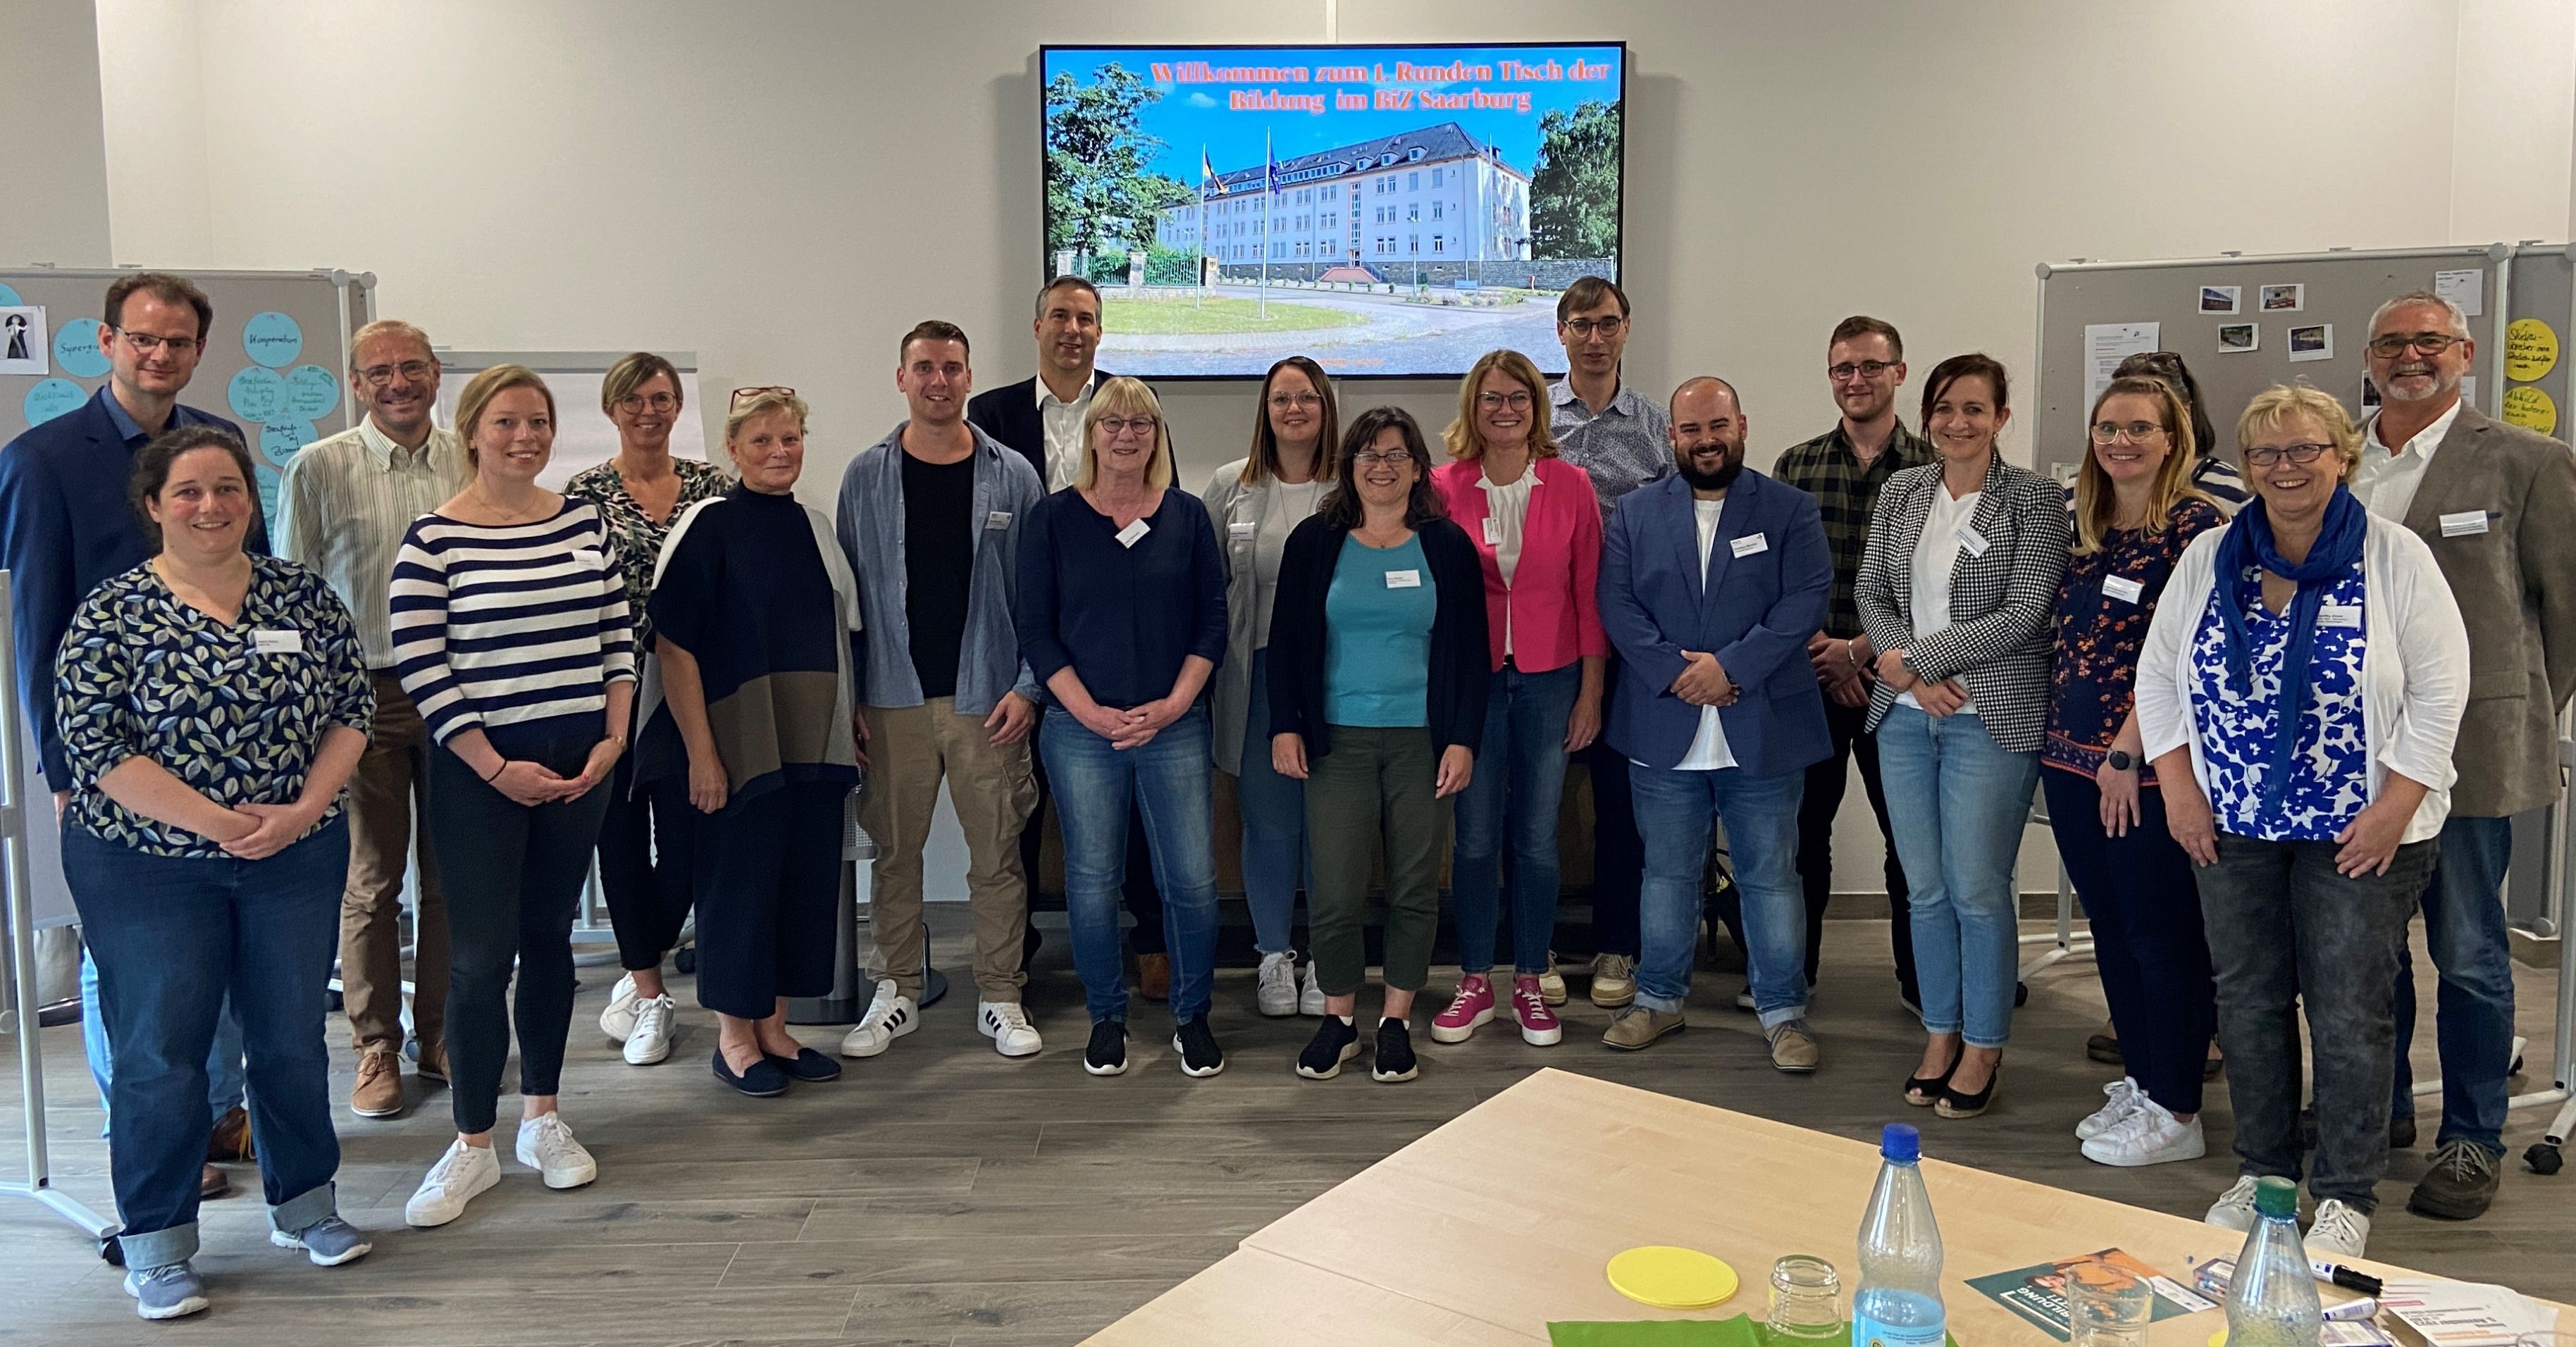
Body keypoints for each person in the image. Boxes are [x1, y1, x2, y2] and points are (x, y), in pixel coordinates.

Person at [2138, 385, 2469, 1258]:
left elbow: (2439, 695)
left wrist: (2393, 809)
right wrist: (2176, 787)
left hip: (2358, 830)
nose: (2283, 468)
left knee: (2347, 1007)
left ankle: (2344, 1190)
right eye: (2264, 454)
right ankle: (2264, 1172)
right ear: (2243, 468)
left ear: (2340, 457)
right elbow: (2159, 677)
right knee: (2245, 1000)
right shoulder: (2211, 557)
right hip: (2231, 820)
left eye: (2303, 450)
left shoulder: (2394, 558)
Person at [58, 426, 376, 1317]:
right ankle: (156, 1242)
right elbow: (95, 746)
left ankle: (306, 1205)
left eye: (229, 488)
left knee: (287, 1038)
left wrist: (303, 812)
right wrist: (222, 824)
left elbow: (352, 706)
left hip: (294, 854)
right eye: (189, 491)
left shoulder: (299, 597)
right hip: (146, 864)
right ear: (154, 505)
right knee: (162, 1052)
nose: (212, 506)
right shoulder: (112, 611)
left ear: (251, 499)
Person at [0, 271, 262, 1200]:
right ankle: (148, 1133)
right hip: (112, 761)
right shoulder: (41, 460)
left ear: (198, 351)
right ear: (107, 343)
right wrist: (67, 769)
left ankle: (222, 1115)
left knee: (223, 942)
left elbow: (251, 586)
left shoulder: (219, 444)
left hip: (224, 750)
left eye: (179, 342)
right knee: (133, 960)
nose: (160, 355)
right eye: (143, 338)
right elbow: (35, 628)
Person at [392, 365, 633, 1227]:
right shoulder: (433, 540)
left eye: (537, 422)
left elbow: (617, 637)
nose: (524, 437)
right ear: (472, 432)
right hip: (479, 775)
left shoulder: (582, 524)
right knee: (479, 955)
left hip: (580, 767)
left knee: (549, 940)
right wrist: (497, 768)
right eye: (506, 423)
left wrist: (613, 737)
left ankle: (543, 1117)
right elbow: (425, 668)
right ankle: (470, 1145)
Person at [2353, 291, 2576, 1220]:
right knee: (2367, 952)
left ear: (2467, 352)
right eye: (2394, 342)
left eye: (2430, 340)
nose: (2412, 355)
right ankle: (2380, 1111)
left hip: (2471, 756)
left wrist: (2519, 714)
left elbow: (2565, 615)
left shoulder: (2530, 462)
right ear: (2369, 359)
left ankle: (2474, 1138)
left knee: (2473, 952)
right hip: (2358, 756)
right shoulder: (2340, 457)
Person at [1597, 378, 1833, 1067]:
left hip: (1761, 723)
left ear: (1741, 425)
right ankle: (1659, 1000)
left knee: (1769, 876)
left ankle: (1783, 1011)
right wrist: (1678, 672)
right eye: (1691, 428)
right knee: (1665, 874)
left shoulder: (1788, 508)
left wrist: (1729, 668)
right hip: (1662, 720)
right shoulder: (1635, 512)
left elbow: (1805, 600)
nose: (1706, 440)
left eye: (1718, 425)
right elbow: (1615, 604)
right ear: (1670, 435)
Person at [1857, 354, 2069, 1119]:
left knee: (1978, 891)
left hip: (1991, 719)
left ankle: (1984, 1043)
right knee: (1924, 891)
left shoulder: (2036, 500)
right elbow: (1870, 589)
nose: (1956, 422)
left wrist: (1916, 658)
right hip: (1904, 723)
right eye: (1943, 408)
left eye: (1974, 409)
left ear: (2001, 418)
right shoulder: (1902, 490)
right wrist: (1908, 678)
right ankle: (1939, 1033)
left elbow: (2024, 612)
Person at [837, 323, 1046, 1060]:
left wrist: (1027, 688)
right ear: (900, 378)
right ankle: (894, 989)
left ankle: (1000, 994)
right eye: (923, 367)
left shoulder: (1011, 474)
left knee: (996, 855)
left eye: (951, 368)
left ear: (967, 377)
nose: (938, 380)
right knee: (896, 853)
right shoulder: (864, 475)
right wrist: (853, 699)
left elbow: (1036, 595)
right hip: (892, 698)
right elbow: (851, 601)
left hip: (986, 698)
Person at [277, 319, 468, 1117]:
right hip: (362, 694)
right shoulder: (318, 467)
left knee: (454, 875)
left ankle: (446, 1033)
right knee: (372, 880)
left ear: (435, 373)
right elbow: (290, 593)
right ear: (355, 384)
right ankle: (375, 1047)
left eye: (412, 368)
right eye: (379, 372)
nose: (398, 383)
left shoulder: (471, 455)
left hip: (463, 690)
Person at [648, 386, 861, 1095]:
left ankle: (774, 1027)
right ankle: (733, 1037)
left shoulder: (816, 527)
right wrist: (702, 753)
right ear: (733, 451)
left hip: (810, 742)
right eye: (762, 441)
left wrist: (849, 718)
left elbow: (836, 634)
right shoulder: (709, 526)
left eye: (790, 439)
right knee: (737, 884)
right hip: (738, 745)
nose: (779, 452)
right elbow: (673, 647)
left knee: (799, 882)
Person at [1015, 376, 1228, 1079]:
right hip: (1081, 729)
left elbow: (1210, 625)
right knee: (1091, 876)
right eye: (1113, 422)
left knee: (1192, 881)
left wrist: (1171, 706)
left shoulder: (1187, 516)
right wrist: (1090, 713)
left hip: (1174, 725)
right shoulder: (1051, 519)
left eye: (1142, 422)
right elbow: (1037, 635)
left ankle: (1192, 1016)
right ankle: (1106, 1015)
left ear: (1157, 435)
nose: (1128, 433)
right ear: (1091, 434)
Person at [1268, 406, 1487, 1082]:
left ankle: (1395, 1019)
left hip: (1423, 743)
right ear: (1350, 467)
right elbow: (1285, 644)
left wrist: (1462, 740)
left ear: (1418, 467)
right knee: (1333, 891)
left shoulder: (1446, 546)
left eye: (1395, 454)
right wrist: (1285, 724)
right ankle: (1339, 1020)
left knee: (1415, 889)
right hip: (1337, 742)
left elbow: (1473, 654)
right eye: (1368, 454)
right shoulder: (1315, 541)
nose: (1382, 467)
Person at [967, 275, 1170, 999]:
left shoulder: (1130, 404)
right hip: (1019, 636)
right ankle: (1013, 952)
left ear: (1100, 330)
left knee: (1138, 804)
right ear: (1036, 326)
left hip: (1108, 636)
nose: (1073, 330)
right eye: (1059, 316)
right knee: (1019, 807)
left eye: (1086, 318)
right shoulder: (988, 414)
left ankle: (1150, 936)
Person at [2043, 376, 2225, 1167]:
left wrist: (2126, 750)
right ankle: (2144, 1080)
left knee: (2162, 937)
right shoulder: (2083, 523)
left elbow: (2181, 657)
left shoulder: (2196, 528)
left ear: (2171, 438)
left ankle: (2178, 1105)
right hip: (2067, 758)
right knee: (2110, 931)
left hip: (2142, 768)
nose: (2120, 441)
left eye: (2139, 428)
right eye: (2106, 426)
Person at [1428, 349, 1605, 1048]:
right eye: (1491, 398)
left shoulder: (1570, 485)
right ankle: (1474, 981)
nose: (1504, 410)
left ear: (1537, 407)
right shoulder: (1441, 486)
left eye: (1518, 398)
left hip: (1551, 677)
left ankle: (1529, 980)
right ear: (1472, 407)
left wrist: (1591, 692)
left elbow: (1589, 595)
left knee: (1535, 837)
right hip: (1472, 684)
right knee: (1472, 838)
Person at [564, 352, 729, 1067]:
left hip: (691, 690)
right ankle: (649, 992)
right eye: (633, 400)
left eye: (660, 398)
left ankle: (647, 947)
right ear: (612, 409)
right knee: (620, 845)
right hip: (608, 691)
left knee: (691, 847)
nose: (648, 411)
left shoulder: (712, 489)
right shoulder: (584, 494)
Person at [1773, 316, 1933, 1014]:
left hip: (1897, 683)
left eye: (1870, 367)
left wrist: (1859, 651)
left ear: (1898, 372)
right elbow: (1777, 578)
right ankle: (1792, 977)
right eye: (1843, 368)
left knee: (1909, 842)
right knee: (1801, 838)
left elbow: (1940, 585)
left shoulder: (1934, 467)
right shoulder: (1795, 465)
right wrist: (1826, 654)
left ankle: (1921, 981)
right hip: (1807, 681)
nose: (1856, 381)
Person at [1201, 356, 1339, 1018]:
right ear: (1266, 409)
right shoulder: (1230, 486)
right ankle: (1274, 958)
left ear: (1325, 407)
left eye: (1306, 398)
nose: (1294, 410)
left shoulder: (1353, 484)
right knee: (1271, 824)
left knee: (1331, 824)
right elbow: (1203, 590)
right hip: (1254, 678)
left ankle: (1327, 962)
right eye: (1282, 398)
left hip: (1339, 679)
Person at [1548, 276, 1670, 1008]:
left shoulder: (1657, 428)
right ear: (1560, 332)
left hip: (1631, 644)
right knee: (1540, 802)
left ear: (1626, 330)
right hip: (1545, 640)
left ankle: (1616, 945)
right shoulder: (1533, 423)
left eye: (1607, 324)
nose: (1594, 338)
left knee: (1622, 804)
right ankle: (1536, 947)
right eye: (1580, 325)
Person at [2110, 350, 2250, 513]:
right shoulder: (2081, 492)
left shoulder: (2232, 492)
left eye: (2142, 427)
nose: (2122, 440)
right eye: (2110, 427)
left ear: (2184, 413)